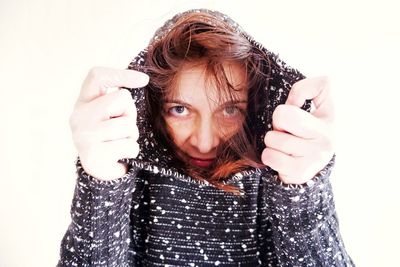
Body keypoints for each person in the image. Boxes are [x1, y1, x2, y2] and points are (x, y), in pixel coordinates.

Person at [58, 9, 354, 266]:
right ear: (151, 105)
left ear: (254, 106)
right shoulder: (129, 179)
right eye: (179, 109)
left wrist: (303, 192)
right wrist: (102, 183)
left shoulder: (276, 180)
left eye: (230, 110)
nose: (205, 141)